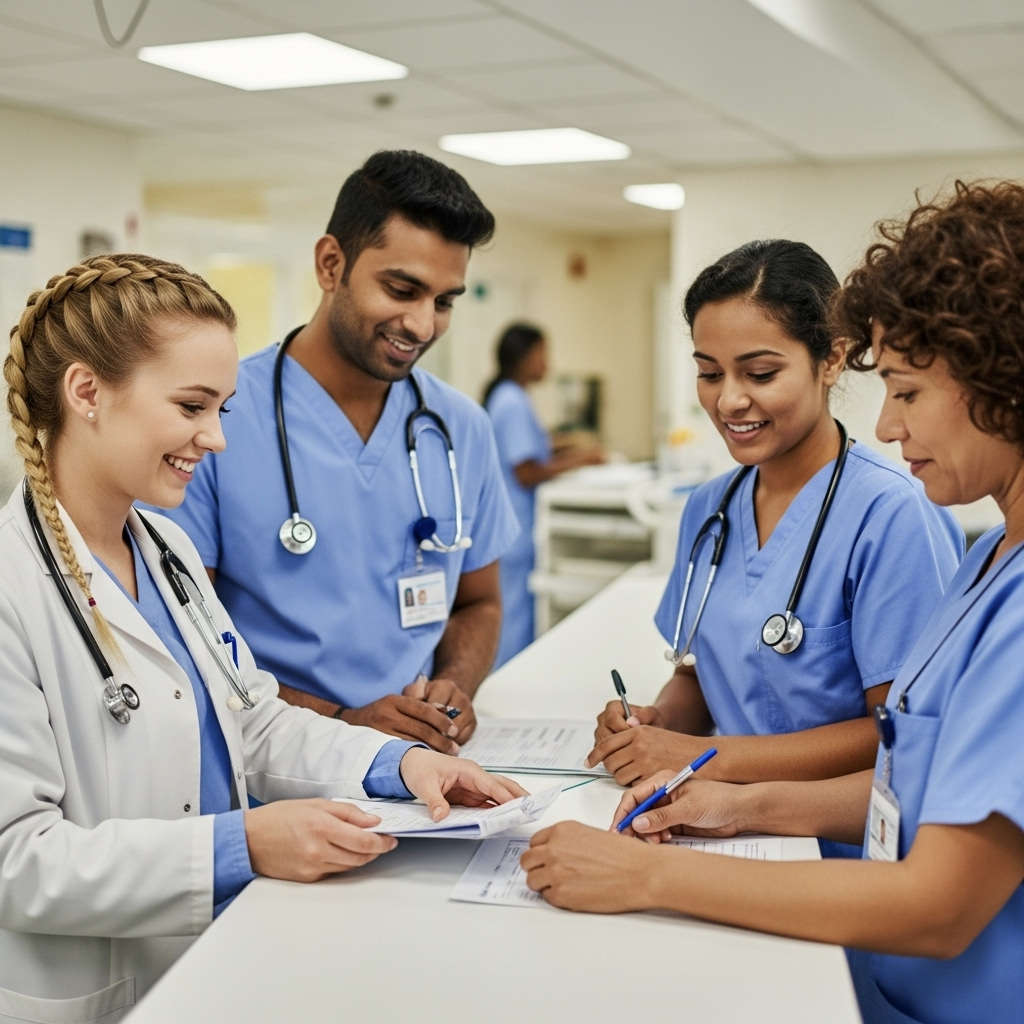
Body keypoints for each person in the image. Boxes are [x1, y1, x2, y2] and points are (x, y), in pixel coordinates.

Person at [522, 181, 1024, 1024]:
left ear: (1001, 376)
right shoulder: (992, 563)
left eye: (905, 391)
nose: (891, 428)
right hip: (875, 963)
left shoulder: (926, 536)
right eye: (710, 372)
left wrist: (650, 872)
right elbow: (913, 770)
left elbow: (941, 903)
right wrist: (733, 801)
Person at [0, 254, 525, 1017]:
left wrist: (398, 763)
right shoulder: (12, 586)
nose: (214, 440)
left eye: (223, 410)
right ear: (86, 392)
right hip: (96, 994)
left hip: (222, 955)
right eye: (190, 406)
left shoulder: (165, 549)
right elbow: (17, 859)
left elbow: (253, 721)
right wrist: (239, 845)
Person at [588, 241, 963, 825]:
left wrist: (704, 758)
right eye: (709, 373)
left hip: (834, 843)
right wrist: (657, 725)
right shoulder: (709, 509)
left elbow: (901, 735)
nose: (729, 400)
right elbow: (701, 672)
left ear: (832, 359)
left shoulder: (893, 513)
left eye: (761, 373)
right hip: (716, 821)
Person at [159, 151, 519, 754]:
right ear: (331, 264)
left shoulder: (461, 428)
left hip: (421, 766)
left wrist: (455, 685)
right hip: (271, 764)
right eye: (401, 289)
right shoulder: (215, 422)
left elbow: (479, 602)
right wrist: (341, 722)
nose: (423, 324)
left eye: (445, 300)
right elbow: (184, 638)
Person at [483, 323, 603, 667]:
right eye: (541, 355)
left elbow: (531, 448)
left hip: (515, 528)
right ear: (522, 357)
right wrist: (581, 458)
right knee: (514, 625)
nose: (546, 364)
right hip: (515, 532)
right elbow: (526, 472)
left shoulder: (508, 396)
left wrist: (567, 443)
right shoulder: (511, 401)